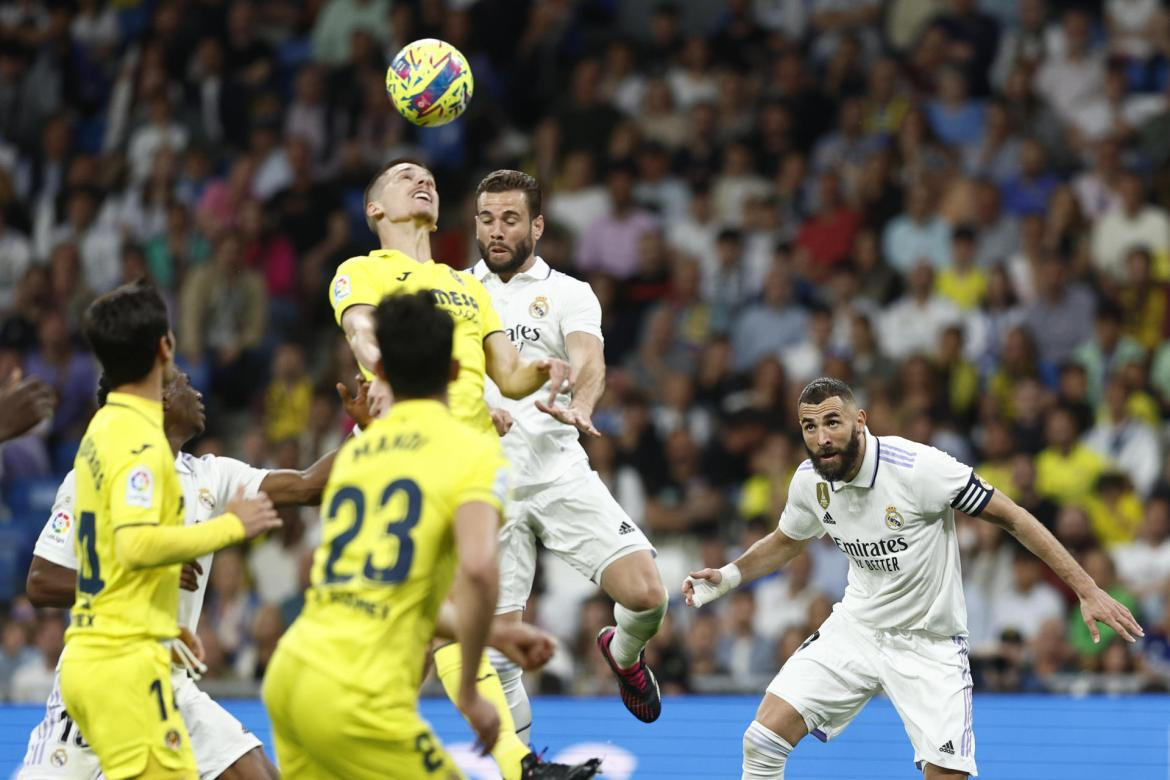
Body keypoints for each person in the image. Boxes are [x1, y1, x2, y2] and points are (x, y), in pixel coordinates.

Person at [683, 377, 1142, 779]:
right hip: (857, 629)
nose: (822, 437)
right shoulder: (810, 481)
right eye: (810, 427)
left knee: (946, 775)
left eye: (832, 422)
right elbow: (787, 540)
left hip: (930, 643)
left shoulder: (918, 468)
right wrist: (725, 577)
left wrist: (1087, 589)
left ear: (859, 420)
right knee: (761, 742)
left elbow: (1015, 517)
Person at [263, 292, 600, 780]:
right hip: (358, 696)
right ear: (456, 372)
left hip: (292, 673)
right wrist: (468, 691)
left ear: (383, 373)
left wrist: (495, 632)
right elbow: (481, 572)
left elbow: (377, 589)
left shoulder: (358, 454)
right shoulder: (471, 454)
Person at [329, 159, 589, 779]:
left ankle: (345, 743)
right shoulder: (360, 272)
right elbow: (364, 336)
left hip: (475, 464)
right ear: (374, 210)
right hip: (415, 451)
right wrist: (395, 375)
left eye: (428, 178)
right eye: (402, 177)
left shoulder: (467, 285)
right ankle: (518, 766)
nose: (422, 180)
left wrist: (544, 372)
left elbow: (508, 372)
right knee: (445, 615)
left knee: (423, 633)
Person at [471, 170, 669, 730]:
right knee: (498, 653)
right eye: (486, 219)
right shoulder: (459, 292)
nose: (496, 231)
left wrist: (582, 404)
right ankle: (526, 767)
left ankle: (623, 654)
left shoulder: (569, 292)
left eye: (510, 219)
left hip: (557, 470)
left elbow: (589, 361)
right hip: (486, 485)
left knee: (648, 595)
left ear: (536, 225)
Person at [58, 281, 281, 780]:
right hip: (124, 666)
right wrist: (229, 527)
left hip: (111, 652)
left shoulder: (104, 428)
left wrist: (162, 623)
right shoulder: (140, 442)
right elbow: (134, 544)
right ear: (163, 346)